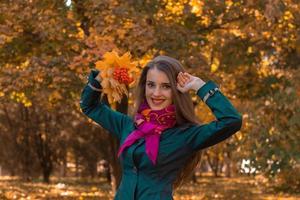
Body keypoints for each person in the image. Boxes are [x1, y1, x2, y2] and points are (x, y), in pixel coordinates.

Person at [80, 55, 242, 200]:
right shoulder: (128, 125)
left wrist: (199, 86)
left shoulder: (186, 135)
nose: (156, 93)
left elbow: (231, 121)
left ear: (176, 90)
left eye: (166, 86)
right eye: (151, 85)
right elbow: (90, 106)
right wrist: (101, 78)